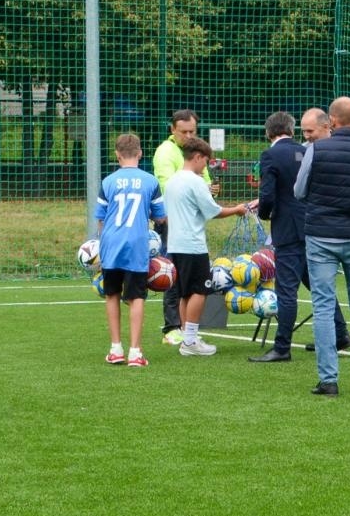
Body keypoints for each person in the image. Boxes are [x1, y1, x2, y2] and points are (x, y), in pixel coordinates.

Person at [295, 97, 350, 395]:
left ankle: (328, 379)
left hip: (321, 236)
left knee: (322, 305)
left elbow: (299, 190)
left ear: (331, 121)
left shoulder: (316, 150)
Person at [249, 110, 348, 363]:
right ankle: (341, 334)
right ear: (291, 131)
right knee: (317, 284)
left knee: (287, 289)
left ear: (268, 132)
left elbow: (268, 194)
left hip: (288, 231)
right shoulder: (308, 152)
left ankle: (282, 347)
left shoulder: (270, 155)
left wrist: (264, 213)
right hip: (312, 226)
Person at [164, 137, 253, 357]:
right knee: (199, 291)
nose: (206, 165)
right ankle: (191, 341)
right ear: (197, 157)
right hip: (193, 245)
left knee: (185, 293)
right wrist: (238, 209)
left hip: (175, 244)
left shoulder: (173, 180)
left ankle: (187, 337)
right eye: (205, 160)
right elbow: (214, 211)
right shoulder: (194, 181)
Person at [95, 133, 166, 368]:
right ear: (140, 154)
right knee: (136, 297)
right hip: (136, 244)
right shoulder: (150, 181)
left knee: (112, 294)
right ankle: (135, 352)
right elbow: (160, 216)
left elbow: (101, 220)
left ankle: (116, 349)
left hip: (111, 243)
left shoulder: (108, 182)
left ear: (117, 155)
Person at [152, 110, 216, 345]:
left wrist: (206, 191)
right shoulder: (165, 152)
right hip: (171, 221)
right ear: (172, 130)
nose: (189, 136)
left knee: (186, 280)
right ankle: (172, 328)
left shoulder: (196, 153)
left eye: (192, 131)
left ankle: (187, 331)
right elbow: (168, 186)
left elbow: (205, 183)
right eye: (184, 132)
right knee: (172, 276)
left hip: (190, 222)